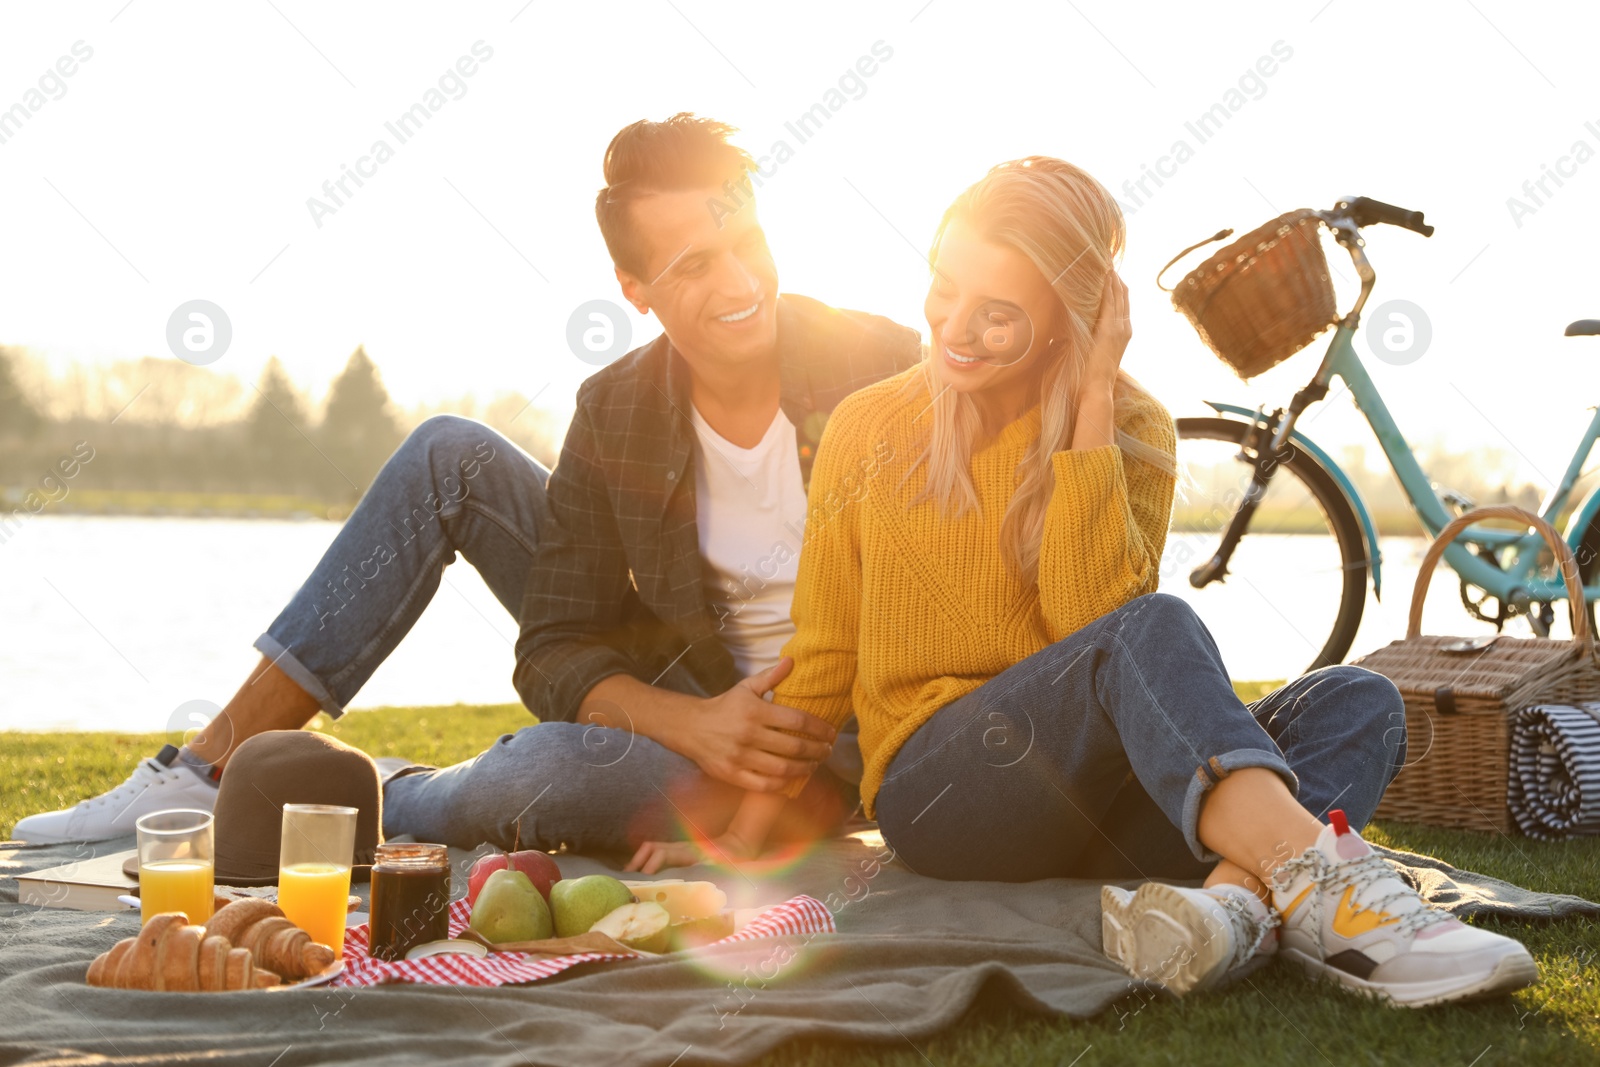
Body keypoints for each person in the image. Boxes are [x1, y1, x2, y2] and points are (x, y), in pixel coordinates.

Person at [625, 157, 1539, 1008]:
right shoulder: (870, 428)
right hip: (944, 793)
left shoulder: (1133, 425)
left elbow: (1092, 620)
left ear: (1071, 311)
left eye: (999, 312)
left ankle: (1230, 912)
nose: (954, 328)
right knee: (1156, 626)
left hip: (1098, 809)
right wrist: (744, 831)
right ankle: (1339, 892)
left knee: (1359, 700)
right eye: (945, 288)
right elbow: (824, 655)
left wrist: (1092, 401)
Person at [14, 113, 919, 846]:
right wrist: (690, 724)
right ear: (633, 287)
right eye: (692, 265)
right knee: (450, 452)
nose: (739, 283)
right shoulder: (617, 407)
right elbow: (557, 643)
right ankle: (208, 774)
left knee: (543, 775)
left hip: (825, 748)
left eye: (745, 240)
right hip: (693, 705)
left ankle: (372, 793)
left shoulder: (878, 363)